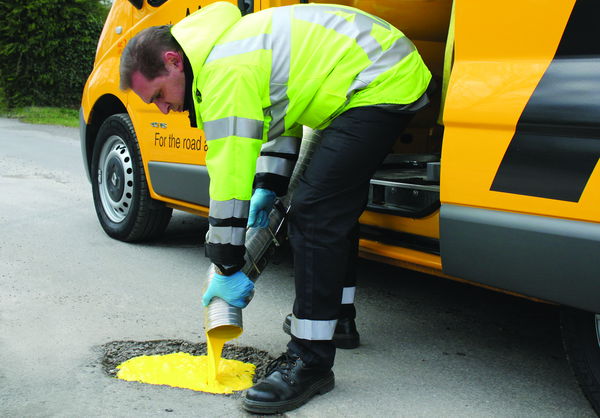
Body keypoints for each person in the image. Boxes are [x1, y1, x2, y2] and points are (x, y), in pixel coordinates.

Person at [120, 2, 431, 413]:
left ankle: (310, 361)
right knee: (330, 204)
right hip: (371, 74)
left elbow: (229, 177)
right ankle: (336, 320)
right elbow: (279, 117)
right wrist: (268, 187)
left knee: (315, 214)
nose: (163, 108)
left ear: (173, 61)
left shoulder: (223, 70)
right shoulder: (229, 48)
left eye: (158, 95)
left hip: (377, 80)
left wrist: (227, 261)